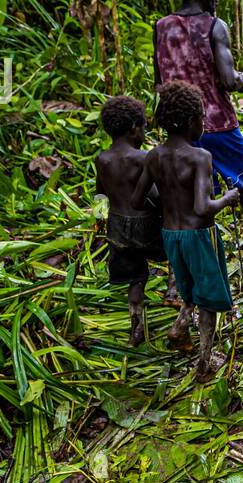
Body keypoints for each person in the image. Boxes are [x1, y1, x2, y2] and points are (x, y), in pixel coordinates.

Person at [154, 0, 243, 248]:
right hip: (216, 121)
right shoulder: (215, 25)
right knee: (241, 175)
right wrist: (241, 78)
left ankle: (204, 240)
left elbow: (159, 81)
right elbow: (229, 81)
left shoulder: (161, 27)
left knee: (194, 186)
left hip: (178, 129)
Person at [134, 82, 240, 375]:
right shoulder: (200, 157)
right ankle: (205, 361)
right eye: (203, 119)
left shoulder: (153, 156)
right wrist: (228, 198)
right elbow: (203, 207)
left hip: (171, 236)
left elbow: (138, 197)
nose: (205, 124)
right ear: (192, 122)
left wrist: (168, 204)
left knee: (189, 288)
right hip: (200, 235)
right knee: (208, 300)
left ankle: (180, 326)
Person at [96, 95, 166, 346]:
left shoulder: (102, 159)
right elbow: (157, 195)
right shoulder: (143, 157)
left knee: (136, 278)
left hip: (117, 227)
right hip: (144, 224)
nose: (145, 132)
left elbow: (100, 193)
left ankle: (136, 326)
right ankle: (174, 289)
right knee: (173, 248)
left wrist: (100, 220)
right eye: (144, 127)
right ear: (133, 128)